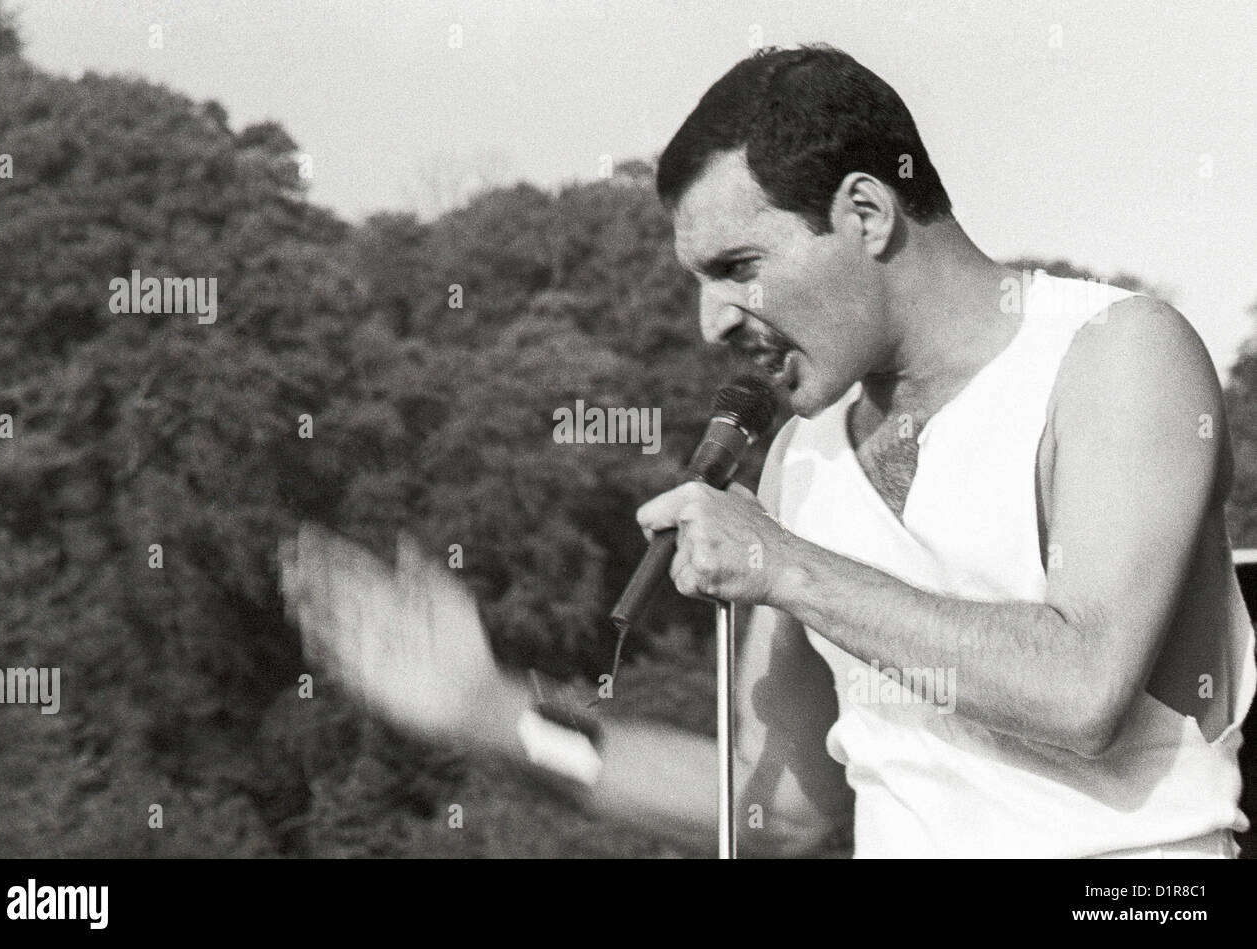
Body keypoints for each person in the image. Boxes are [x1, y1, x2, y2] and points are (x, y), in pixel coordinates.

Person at [282, 44, 1255, 858]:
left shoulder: (1114, 351)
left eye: (737, 267)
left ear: (864, 213)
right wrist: (489, 710)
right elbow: (775, 809)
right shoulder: (801, 459)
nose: (711, 320)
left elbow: (1080, 688)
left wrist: (783, 565)